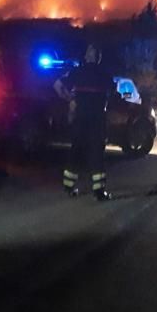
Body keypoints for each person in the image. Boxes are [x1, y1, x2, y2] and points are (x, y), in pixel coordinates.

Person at [54, 44, 115, 201]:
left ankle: (69, 186)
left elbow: (57, 85)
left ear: (87, 56)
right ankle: (99, 191)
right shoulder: (104, 74)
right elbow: (119, 92)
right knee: (96, 154)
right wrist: (135, 97)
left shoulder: (77, 72)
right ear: (99, 57)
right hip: (97, 119)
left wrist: (71, 99)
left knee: (76, 150)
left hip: (80, 118)